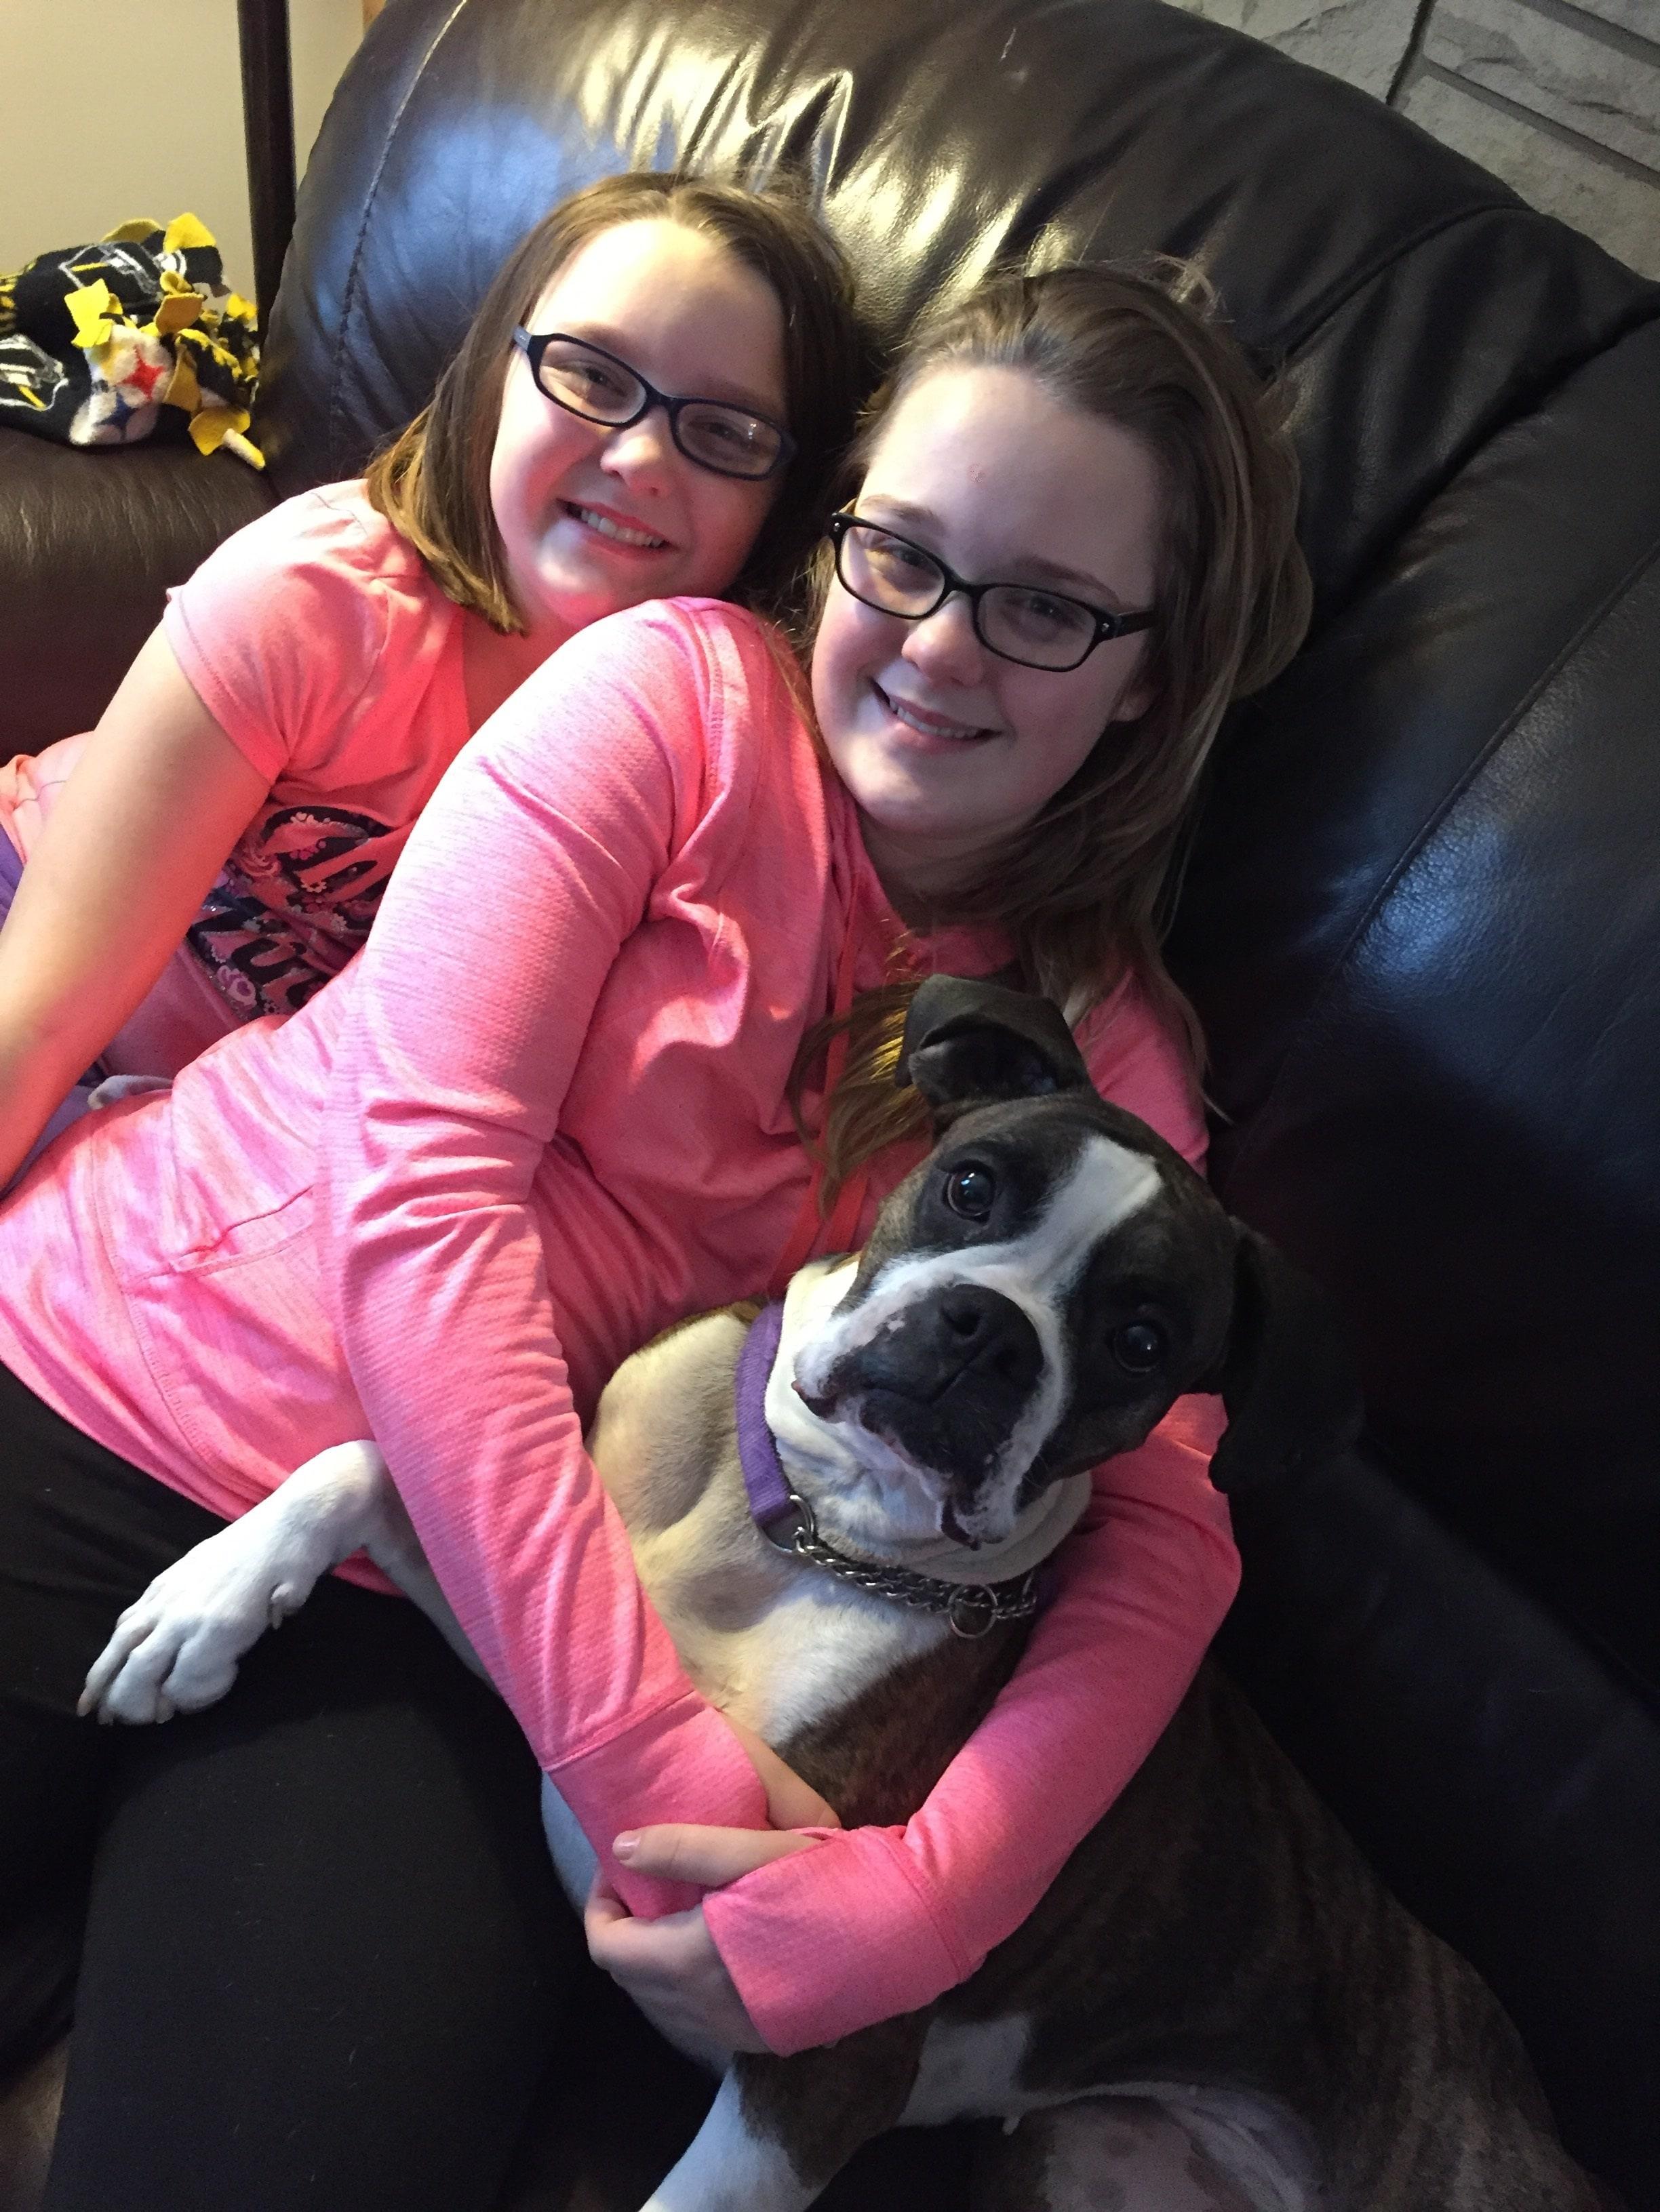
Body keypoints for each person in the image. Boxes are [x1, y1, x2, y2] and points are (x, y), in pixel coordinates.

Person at [0, 259, 1309, 2209]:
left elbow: (1170, 1534)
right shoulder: (673, 698)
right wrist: (658, 1779)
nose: (941, 650)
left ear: (1153, 668)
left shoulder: (1101, 1068)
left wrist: (920, 1913)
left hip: (452, 1617)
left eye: (1042, 607)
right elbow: (424, 1211)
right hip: (113, 1372)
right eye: (903, 558)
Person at [0, 170, 867, 1186]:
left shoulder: (727, 754)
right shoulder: (313, 602)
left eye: (725, 432)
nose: (641, 457)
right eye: (592, 374)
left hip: (227, 1124)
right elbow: (41, 1015)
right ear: (499, 373)